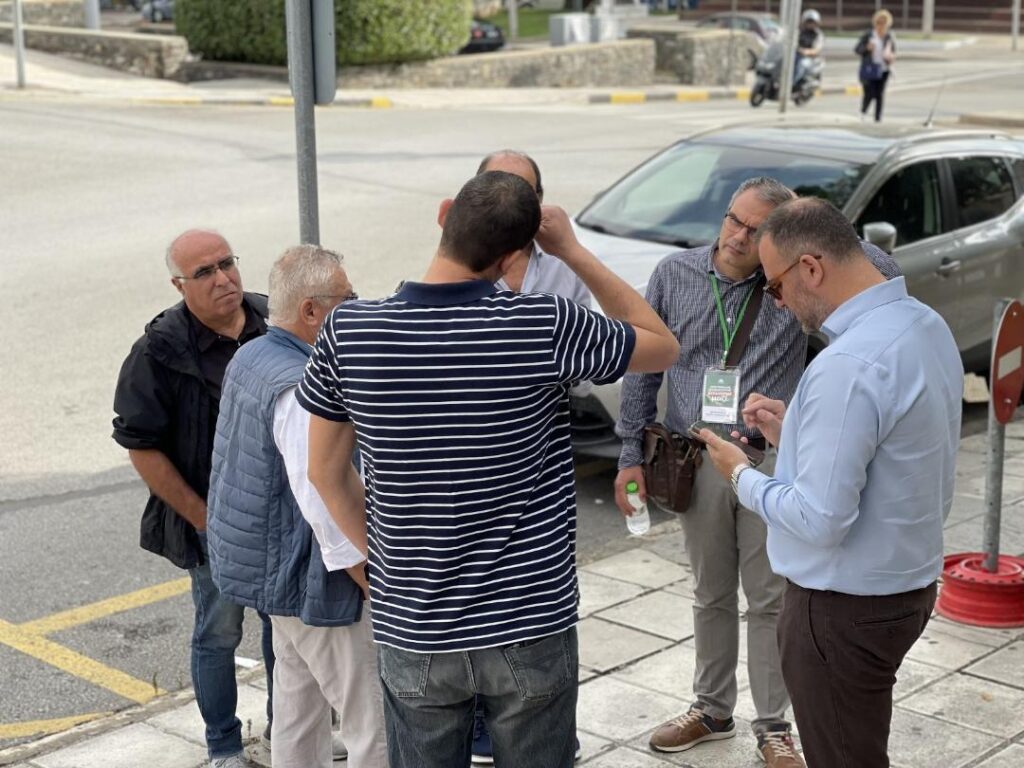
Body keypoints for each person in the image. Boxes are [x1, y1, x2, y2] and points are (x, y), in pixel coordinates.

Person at [297, 170, 679, 768]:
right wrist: (571, 250)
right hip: (529, 617)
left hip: (415, 622)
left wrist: (387, 562)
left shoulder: (351, 332)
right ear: (510, 258)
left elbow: (324, 472)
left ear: (445, 215)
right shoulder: (544, 323)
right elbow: (660, 343)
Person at [614, 178, 899, 768]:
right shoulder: (675, 274)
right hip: (697, 458)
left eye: (757, 229)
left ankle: (774, 725)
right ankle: (711, 709)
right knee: (709, 592)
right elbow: (644, 369)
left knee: (770, 598)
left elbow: (883, 266)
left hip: (771, 461)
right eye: (734, 220)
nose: (739, 237)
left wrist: (806, 229)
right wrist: (629, 456)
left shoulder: (790, 283)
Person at [700, 197, 962, 767]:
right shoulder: (924, 324)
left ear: (811, 268)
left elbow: (819, 519)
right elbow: (892, 448)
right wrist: (794, 430)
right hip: (906, 586)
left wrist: (739, 474)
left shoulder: (847, 364)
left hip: (841, 609)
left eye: (775, 286)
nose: (778, 302)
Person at [206, 245, 387, 768]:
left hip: (273, 576)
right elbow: (321, 496)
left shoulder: (253, 355)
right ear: (311, 311)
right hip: (318, 582)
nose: (357, 306)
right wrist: (368, 577)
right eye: (347, 299)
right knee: (374, 723)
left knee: (298, 710)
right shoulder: (302, 387)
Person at [112, 230, 273, 768]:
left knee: (286, 630)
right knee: (219, 631)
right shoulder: (158, 351)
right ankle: (223, 745)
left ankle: (288, 728)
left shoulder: (271, 320)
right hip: (214, 526)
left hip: (280, 517)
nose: (223, 278)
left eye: (227, 263)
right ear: (178, 285)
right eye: (204, 272)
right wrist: (203, 519)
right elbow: (140, 445)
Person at [469, 150, 590, 765]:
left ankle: (540, 726)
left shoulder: (563, 272)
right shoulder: (458, 262)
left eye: (522, 192)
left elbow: (603, 359)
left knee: (534, 599)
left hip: (539, 454)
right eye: (496, 188)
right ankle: (480, 726)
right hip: (474, 465)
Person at [856, 9, 896, 122]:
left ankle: (878, 118)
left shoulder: (889, 37)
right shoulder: (869, 35)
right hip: (870, 68)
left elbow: (893, 51)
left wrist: (891, 57)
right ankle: (863, 112)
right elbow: (857, 49)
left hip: (883, 68)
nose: (881, 25)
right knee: (869, 92)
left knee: (880, 94)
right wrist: (867, 48)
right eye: (879, 22)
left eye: (884, 23)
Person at [794, 9, 824, 89]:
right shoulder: (799, 31)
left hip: (809, 58)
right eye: (808, 21)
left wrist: (806, 51)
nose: (810, 24)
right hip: (796, 54)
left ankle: (793, 83)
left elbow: (817, 49)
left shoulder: (818, 35)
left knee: (802, 64)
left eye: (812, 22)